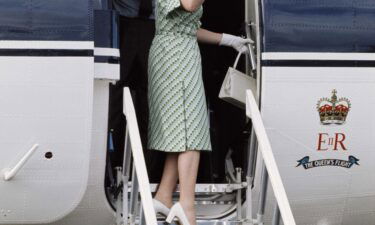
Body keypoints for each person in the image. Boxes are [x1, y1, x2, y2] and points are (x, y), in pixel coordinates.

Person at [148, 0, 252, 225]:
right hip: (176, 58)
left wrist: (227, 39)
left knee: (181, 131)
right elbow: (190, 5)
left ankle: (164, 196)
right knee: (191, 131)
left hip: (179, 53)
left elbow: (188, 27)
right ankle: (186, 206)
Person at [108, 0, 155, 167]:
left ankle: (148, 169)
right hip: (121, 25)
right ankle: (112, 166)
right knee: (114, 99)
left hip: (154, 28)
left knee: (151, 104)